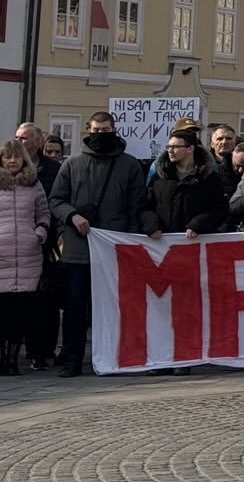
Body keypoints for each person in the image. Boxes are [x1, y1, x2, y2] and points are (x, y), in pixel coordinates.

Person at [49, 112, 146, 377]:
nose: (100, 134)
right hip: (79, 248)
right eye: (96, 130)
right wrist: (72, 215)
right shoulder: (72, 164)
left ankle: (115, 355)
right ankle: (73, 358)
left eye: (105, 130)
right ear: (88, 131)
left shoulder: (130, 165)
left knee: (113, 307)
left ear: (114, 130)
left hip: (114, 249)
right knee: (75, 306)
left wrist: (131, 243)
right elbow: (55, 200)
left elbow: (136, 206)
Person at [0, 138, 49, 376]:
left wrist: (39, 233)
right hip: (1, 257)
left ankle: (12, 360)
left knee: (19, 313)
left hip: (28, 256)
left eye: (16, 156)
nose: (12, 161)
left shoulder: (34, 184)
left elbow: (43, 213)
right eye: (7, 156)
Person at [14, 122, 61, 370]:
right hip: (11, 243)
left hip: (42, 242)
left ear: (37, 142)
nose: (20, 142)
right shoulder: (7, 169)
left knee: (43, 299)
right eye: (17, 137)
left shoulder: (53, 169)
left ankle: (41, 351)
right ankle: (13, 349)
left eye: (25, 138)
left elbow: (52, 205)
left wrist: (45, 232)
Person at [143, 127, 228, 239]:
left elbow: (220, 210)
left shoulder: (210, 178)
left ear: (190, 149)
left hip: (196, 242)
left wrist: (198, 224)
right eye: (168, 147)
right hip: (162, 243)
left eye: (175, 147)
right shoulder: (159, 177)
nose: (170, 150)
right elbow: (145, 206)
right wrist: (152, 226)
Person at [209, 124, 240, 194]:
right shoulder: (204, 164)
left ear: (234, 143)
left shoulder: (242, 165)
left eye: (229, 138)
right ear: (212, 144)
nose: (224, 142)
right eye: (219, 139)